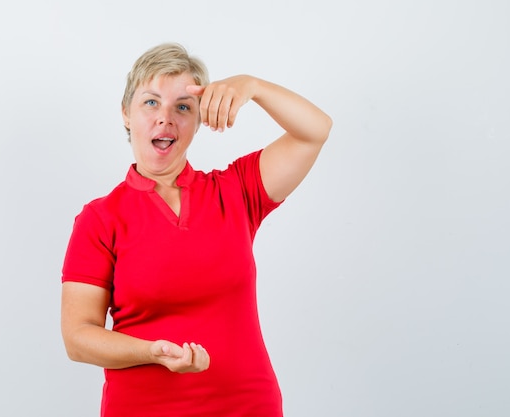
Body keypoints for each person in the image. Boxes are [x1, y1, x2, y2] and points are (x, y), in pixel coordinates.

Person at [60, 42, 332, 416]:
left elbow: (315, 131)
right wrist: (151, 351)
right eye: (151, 102)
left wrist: (252, 86)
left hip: (247, 405)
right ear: (126, 113)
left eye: (183, 107)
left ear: (199, 120)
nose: (165, 118)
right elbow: (78, 338)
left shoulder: (236, 190)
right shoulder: (100, 218)